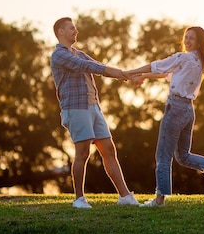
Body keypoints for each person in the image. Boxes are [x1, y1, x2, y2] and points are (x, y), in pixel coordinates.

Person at [124, 26, 204, 207]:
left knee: (163, 156)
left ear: (199, 42)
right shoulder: (199, 61)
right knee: (183, 156)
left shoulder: (183, 57)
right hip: (188, 111)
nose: (187, 41)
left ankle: (159, 200)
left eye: (191, 38)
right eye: (186, 38)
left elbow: (156, 65)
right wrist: (143, 76)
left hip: (175, 108)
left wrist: (130, 73)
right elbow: (165, 72)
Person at [50, 17, 141, 208]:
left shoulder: (80, 53)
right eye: (71, 28)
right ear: (61, 32)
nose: (76, 31)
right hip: (76, 107)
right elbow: (88, 67)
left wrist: (126, 75)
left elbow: (99, 66)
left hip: (93, 106)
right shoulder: (59, 55)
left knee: (109, 149)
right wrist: (117, 72)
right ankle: (79, 199)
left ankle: (124, 196)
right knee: (82, 152)